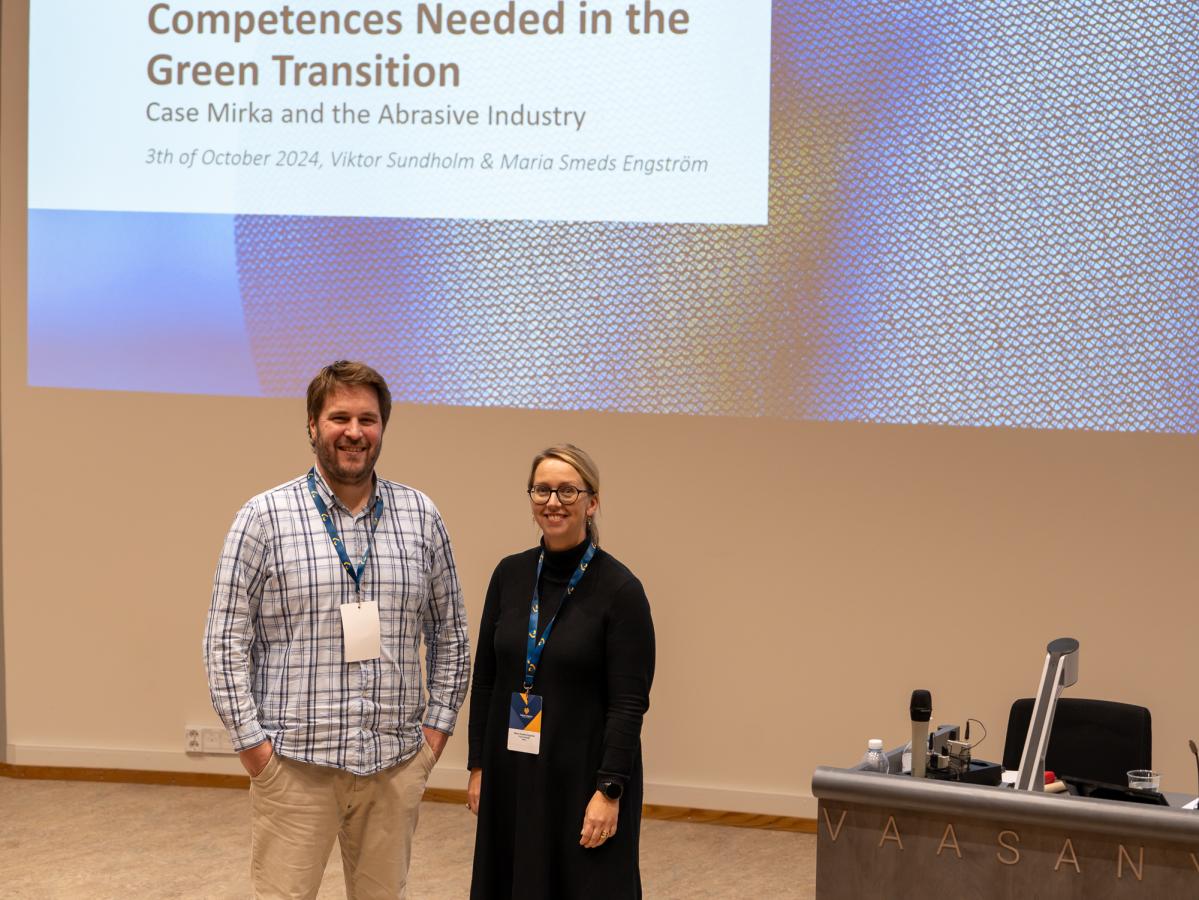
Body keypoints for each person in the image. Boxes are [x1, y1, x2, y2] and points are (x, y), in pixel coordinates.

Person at [203, 360, 470, 900]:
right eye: (339, 417)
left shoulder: (421, 516)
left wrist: (433, 738)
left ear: (382, 428)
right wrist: (254, 747)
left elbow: (452, 634)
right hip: (295, 766)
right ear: (311, 425)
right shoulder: (264, 517)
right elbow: (225, 640)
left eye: (367, 419)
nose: (354, 432)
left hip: (394, 764)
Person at [466, 444, 655, 899]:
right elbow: (487, 679)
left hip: (583, 778)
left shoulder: (621, 590)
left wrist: (609, 790)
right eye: (543, 490)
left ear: (592, 502)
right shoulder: (509, 575)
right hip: (514, 768)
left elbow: (629, 704)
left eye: (568, 491)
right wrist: (478, 765)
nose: (554, 502)